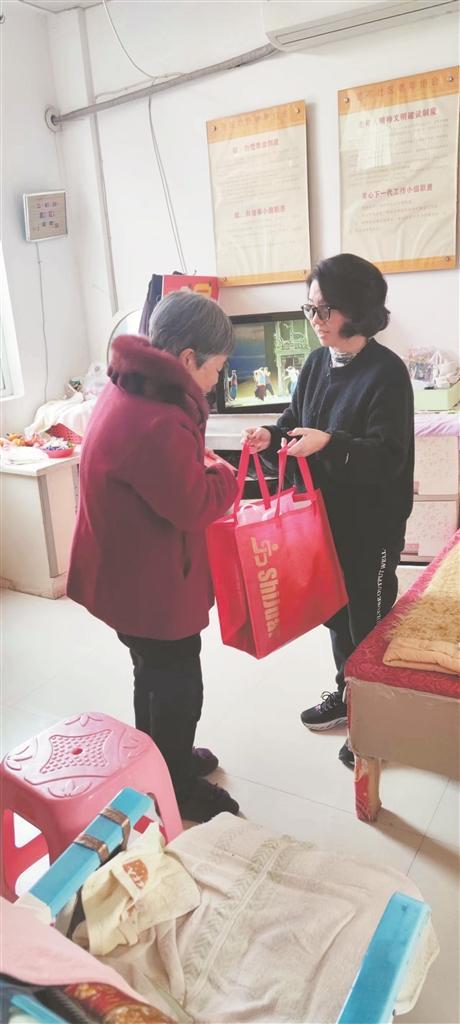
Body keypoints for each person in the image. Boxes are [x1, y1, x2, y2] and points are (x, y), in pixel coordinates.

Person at [67, 289, 240, 821]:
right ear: (188, 358)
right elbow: (193, 505)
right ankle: (175, 786)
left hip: (127, 573)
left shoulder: (131, 388)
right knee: (178, 686)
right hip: (149, 587)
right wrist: (227, 474)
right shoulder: (158, 420)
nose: (216, 381)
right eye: (216, 368)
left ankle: (160, 759)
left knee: (153, 675)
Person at [243, 253, 414, 769]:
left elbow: (387, 456)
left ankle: (376, 720)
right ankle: (348, 694)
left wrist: (330, 443)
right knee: (337, 616)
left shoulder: (387, 373)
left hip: (371, 526)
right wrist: (271, 434)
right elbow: (296, 420)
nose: (315, 320)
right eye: (310, 308)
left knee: (369, 623)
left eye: (324, 309)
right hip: (322, 521)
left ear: (356, 311)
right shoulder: (319, 362)